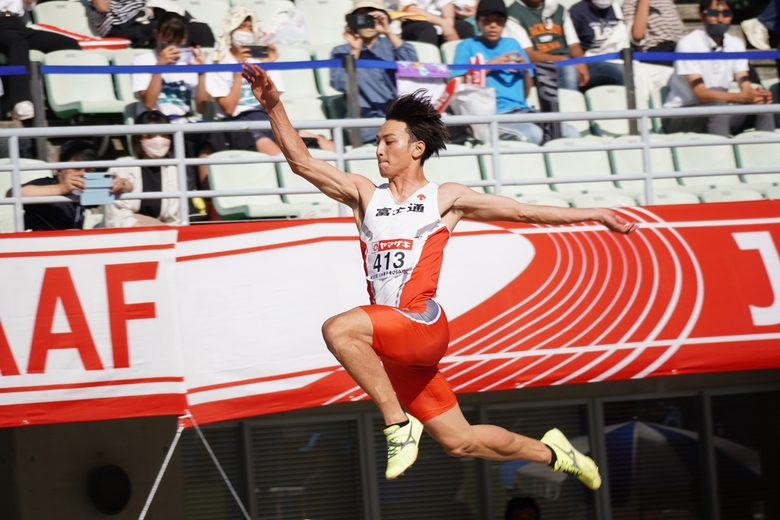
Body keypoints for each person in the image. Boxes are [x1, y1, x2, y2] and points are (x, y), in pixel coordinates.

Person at [241, 61, 638, 486]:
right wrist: (274, 106)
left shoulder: (445, 197)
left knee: (338, 330)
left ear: (416, 148)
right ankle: (556, 453)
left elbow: (525, 211)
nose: (378, 150)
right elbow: (301, 162)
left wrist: (594, 214)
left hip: (422, 322)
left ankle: (398, 425)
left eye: (388, 141)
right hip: (393, 342)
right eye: (376, 142)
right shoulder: (362, 194)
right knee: (459, 441)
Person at [206, 6, 333, 155]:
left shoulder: (260, 59)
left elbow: (271, 102)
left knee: (333, 149)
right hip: (238, 124)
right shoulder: (217, 62)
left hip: (265, 117)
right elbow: (229, 109)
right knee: (284, 156)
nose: (245, 32)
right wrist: (238, 71)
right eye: (241, 26)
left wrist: (268, 65)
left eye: (249, 27)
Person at [452, 0, 581, 142]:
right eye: (487, 20)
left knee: (571, 133)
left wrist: (525, 69)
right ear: (478, 22)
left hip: (522, 111)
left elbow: (525, 93)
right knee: (533, 135)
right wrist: (493, 64)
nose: (493, 25)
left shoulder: (512, 44)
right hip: (491, 116)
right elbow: (457, 86)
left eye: (499, 21)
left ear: (504, 23)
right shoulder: (466, 46)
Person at [131, 11, 224, 188]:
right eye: (168, 41)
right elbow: (149, 103)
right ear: (156, 35)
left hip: (185, 122)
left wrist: (202, 74)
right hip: (157, 124)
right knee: (184, 139)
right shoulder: (142, 61)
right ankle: (190, 198)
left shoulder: (186, 63)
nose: (173, 46)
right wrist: (159, 67)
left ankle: (208, 196)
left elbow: (202, 107)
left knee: (215, 134)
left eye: (179, 42)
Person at [661, 0, 775, 136]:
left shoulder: (735, 44)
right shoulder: (687, 44)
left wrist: (757, 97)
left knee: (763, 108)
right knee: (718, 109)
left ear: (731, 16)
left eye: (726, 13)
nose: (720, 19)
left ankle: (769, 153)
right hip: (680, 114)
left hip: (717, 110)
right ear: (702, 17)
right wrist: (743, 97)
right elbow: (702, 95)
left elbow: (745, 86)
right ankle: (721, 155)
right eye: (714, 13)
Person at [330, 0, 419, 145]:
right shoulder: (341, 51)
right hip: (364, 126)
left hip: (401, 121)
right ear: (353, 20)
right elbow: (339, 83)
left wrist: (388, 31)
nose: (368, 21)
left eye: (373, 16)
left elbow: (414, 70)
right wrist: (355, 50)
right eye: (362, 16)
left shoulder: (394, 45)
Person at [8, 140, 129, 231]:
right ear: (60, 169)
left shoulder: (87, 189)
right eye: (76, 169)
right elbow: (12, 194)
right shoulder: (48, 184)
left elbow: (130, 186)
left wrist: (120, 184)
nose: (83, 174)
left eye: (89, 170)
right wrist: (61, 189)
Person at [105, 110, 192, 227]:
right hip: (129, 236)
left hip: (162, 237)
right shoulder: (121, 166)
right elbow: (116, 217)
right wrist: (154, 228)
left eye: (164, 135)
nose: (158, 140)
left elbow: (176, 219)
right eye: (151, 136)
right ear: (139, 138)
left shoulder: (174, 171)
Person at [568, 0, 674, 93]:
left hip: (624, 59)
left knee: (668, 74)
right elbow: (572, 44)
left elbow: (636, 38)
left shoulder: (617, 9)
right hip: (596, 61)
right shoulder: (577, 11)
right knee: (637, 74)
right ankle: (641, 112)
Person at [0, 0, 80, 121]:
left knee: (68, 44)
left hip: (17, 23)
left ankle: (59, 101)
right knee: (19, 45)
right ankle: (20, 102)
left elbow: (29, 2)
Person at [503, 0, 589, 91]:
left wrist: (580, 62)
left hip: (568, 61)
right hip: (539, 66)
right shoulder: (513, 13)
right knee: (569, 70)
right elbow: (528, 54)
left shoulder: (559, 9)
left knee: (604, 68)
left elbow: (573, 44)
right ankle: (569, 104)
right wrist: (563, 60)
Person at [87, 0, 215, 49]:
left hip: (147, 17)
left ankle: (213, 77)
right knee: (166, 30)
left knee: (201, 29)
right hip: (123, 25)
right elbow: (102, 6)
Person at [622, 0, 687, 62]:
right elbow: (637, 35)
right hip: (655, 52)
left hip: (679, 47)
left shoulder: (666, 2)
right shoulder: (631, 3)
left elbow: (681, 31)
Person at [399, 0, 476, 46]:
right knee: (427, 30)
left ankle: (463, 69)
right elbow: (410, 9)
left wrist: (449, 24)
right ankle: (428, 70)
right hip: (409, 20)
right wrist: (443, 23)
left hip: (437, 19)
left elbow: (446, 3)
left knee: (464, 27)